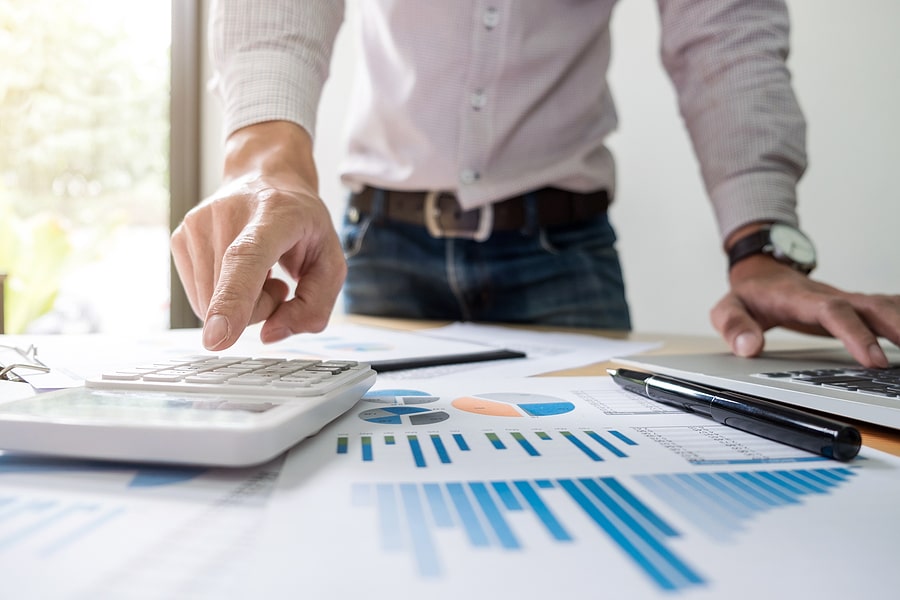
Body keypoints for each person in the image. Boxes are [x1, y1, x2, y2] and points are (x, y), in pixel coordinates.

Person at [171, 0, 900, 367]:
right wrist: (266, 158)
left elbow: (723, 29)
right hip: (377, 247)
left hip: (564, 253)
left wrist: (759, 240)